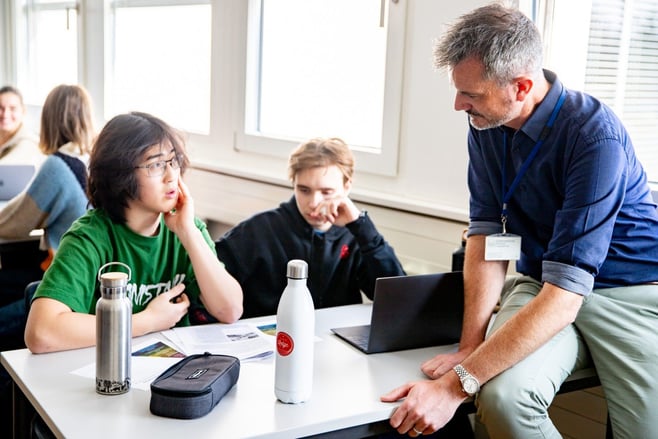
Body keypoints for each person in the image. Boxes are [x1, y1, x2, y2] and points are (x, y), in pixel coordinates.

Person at [381, 4, 658, 438]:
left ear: (522, 86)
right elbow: (488, 232)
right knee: (502, 400)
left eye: (470, 94)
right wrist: (469, 351)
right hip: (544, 284)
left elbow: (566, 296)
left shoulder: (594, 137)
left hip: (629, 291)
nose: (458, 105)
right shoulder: (486, 121)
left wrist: (453, 388)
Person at [24, 111, 243, 354]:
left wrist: (189, 233)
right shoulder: (90, 237)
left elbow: (231, 310)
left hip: (174, 374)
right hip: (105, 374)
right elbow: (41, 333)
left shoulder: (187, 229)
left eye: (174, 161)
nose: (172, 175)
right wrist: (146, 321)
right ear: (121, 174)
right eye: (156, 165)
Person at [210, 137, 405, 320]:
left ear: (347, 187)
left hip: (335, 345)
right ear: (293, 183)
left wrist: (362, 227)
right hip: (272, 344)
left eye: (326, 192)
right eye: (304, 190)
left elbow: (398, 298)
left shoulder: (356, 235)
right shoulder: (256, 231)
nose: (313, 202)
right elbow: (208, 286)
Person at [0, 84, 95, 350]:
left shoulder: (58, 165)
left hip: (61, 279)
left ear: (49, 120)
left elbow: (17, 222)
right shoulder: (93, 159)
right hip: (87, 279)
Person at [0, 85, 43, 166]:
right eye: (0, 108)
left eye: (12, 108)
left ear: (23, 111)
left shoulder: (29, 143)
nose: (5, 114)